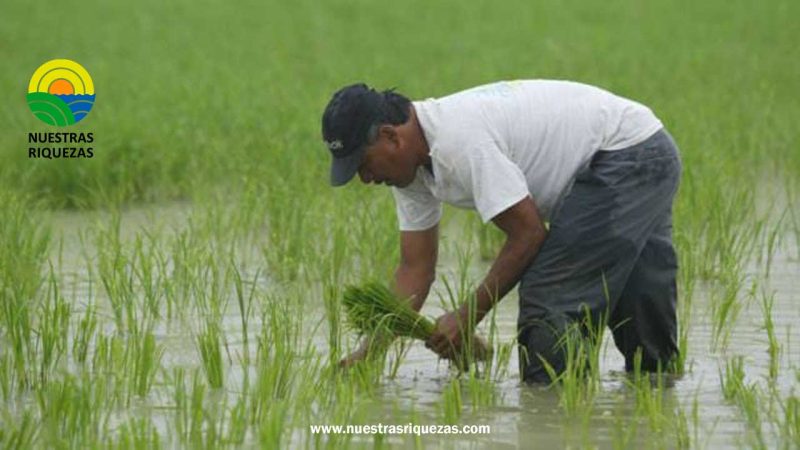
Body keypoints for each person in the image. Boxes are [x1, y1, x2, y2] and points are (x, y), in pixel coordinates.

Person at [321, 80, 681, 383]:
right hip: (640, 148)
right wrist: (368, 355)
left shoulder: (458, 142)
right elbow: (415, 270)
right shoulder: (410, 171)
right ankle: (657, 402)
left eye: (364, 165)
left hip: (627, 155)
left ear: (390, 136)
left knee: (550, 301)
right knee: (639, 299)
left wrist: (466, 316)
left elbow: (528, 234)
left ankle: (552, 420)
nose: (366, 180)